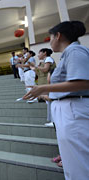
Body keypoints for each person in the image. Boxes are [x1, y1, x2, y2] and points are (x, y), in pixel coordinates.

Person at [23, 21, 89, 180]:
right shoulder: (69, 53)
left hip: (74, 111)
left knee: (78, 167)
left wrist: (44, 89)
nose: (50, 41)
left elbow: (84, 82)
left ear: (58, 36)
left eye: (50, 37)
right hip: (69, 110)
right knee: (74, 164)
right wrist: (45, 94)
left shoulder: (75, 50)